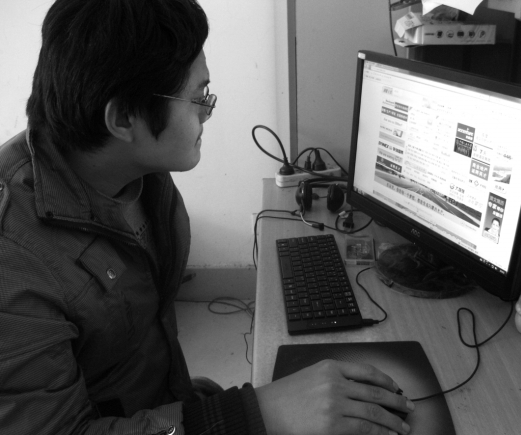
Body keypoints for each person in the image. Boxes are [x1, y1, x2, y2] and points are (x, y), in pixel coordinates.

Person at [0, 1, 414, 434]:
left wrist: (194, 407)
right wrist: (241, 415)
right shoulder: (14, 258)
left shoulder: (140, 174)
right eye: (199, 97)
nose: (207, 112)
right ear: (123, 117)